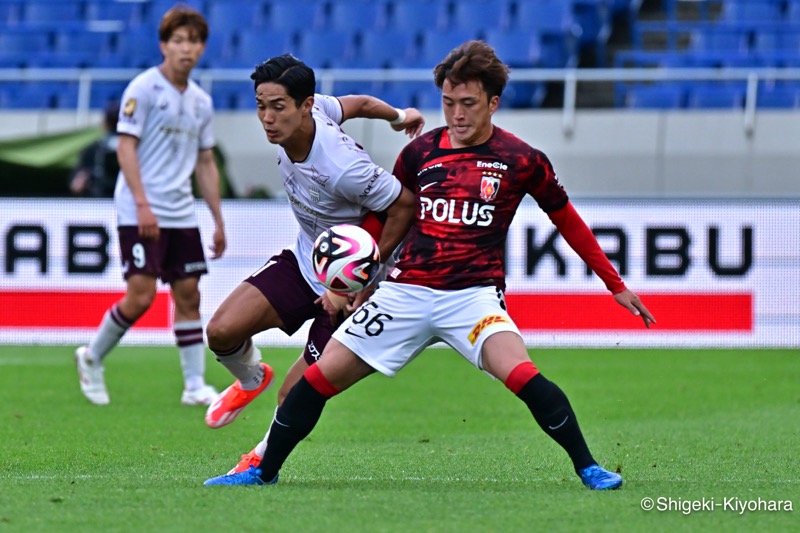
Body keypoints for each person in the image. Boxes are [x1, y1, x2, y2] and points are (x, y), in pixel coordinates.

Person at [204, 40, 656, 490]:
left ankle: (589, 468)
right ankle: (263, 471)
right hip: (404, 293)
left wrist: (614, 284)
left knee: (521, 373)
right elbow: (382, 218)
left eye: (468, 104)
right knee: (316, 381)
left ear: (493, 103)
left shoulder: (521, 160)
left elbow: (566, 219)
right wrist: (353, 280)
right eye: (448, 102)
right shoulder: (420, 153)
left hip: (472, 298)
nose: (456, 114)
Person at [201, 54, 424, 469]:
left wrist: (360, 281)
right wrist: (399, 115)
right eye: (261, 106)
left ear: (304, 106)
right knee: (220, 331)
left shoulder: (343, 168)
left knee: (296, 394)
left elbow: (404, 206)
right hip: (307, 260)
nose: (267, 118)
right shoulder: (318, 106)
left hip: (347, 283)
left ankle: (258, 462)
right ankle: (251, 378)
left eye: (278, 107)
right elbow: (359, 103)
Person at [74, 5, 226, 406]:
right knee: (141, 296)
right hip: (139, 207)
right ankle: (91, 356)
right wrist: (142, 204)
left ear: (202, 47)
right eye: (178, 41)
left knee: (189, 293)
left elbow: (205, 161)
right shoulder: (143, 89)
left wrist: (218, 220)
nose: (186, 49)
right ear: (164, 45)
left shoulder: (201, 102)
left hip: (181, 211)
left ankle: (194, 385)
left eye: (194, 41)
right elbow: (126, 148)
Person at [68, 101, 120, 198]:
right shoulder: (93, 150)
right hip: (98, 201)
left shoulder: (135, 151)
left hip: (126, 199)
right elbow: (75, 185)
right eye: (113, 122)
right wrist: (80, 180)